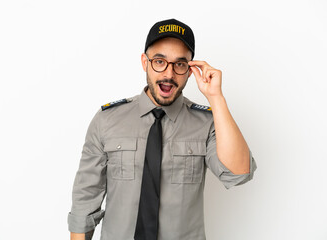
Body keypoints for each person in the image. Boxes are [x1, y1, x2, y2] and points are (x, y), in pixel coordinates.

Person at [68, 18, 257, 240]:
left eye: (179, 64)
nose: (169, 74)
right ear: (144, 62)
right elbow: (86, 198)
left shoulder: (207, 123)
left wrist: (216, 98)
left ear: (189, 70)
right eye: (159, 61)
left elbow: (238, 174)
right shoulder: (107, 120)